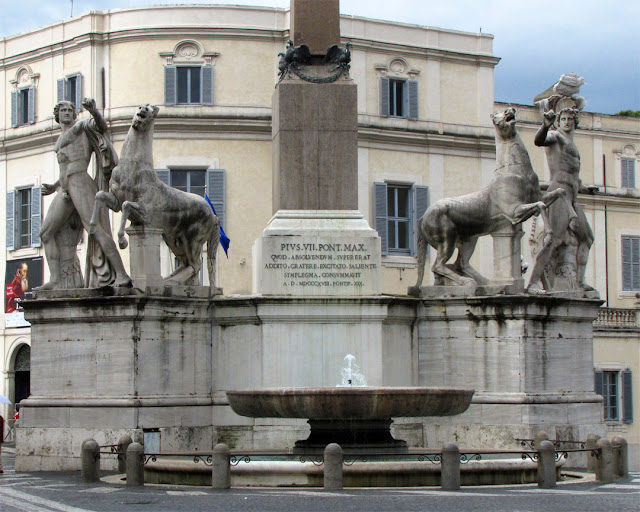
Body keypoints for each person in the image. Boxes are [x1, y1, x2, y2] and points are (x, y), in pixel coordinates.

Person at [37, 99, 132, 290]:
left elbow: (102, 127)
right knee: (45, 233)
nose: (66, 113)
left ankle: (121, 274)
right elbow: (64, 167)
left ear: (74, 114)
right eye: (62, 110)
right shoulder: (60, 137)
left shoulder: (81, 127)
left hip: (80, 182)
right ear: (57, 115)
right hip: (65, 189)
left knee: (95, 229)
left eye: (70, 110)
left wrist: (94, 111)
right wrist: (54, 185)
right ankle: (56, 280)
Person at [527, 108, 594, 293]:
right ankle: (533, 282)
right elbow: (538, 140)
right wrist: (545, 125)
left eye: (570, 119)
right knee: (553, 241)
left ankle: (580, 282)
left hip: (572, 197)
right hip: (559, 193)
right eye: (563, 118)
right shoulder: (555, 136)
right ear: (558, 122)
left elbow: (575, 177)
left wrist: (585, 188)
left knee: (587, 237)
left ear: (575, 122)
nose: (566, 121)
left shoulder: (574, 146)